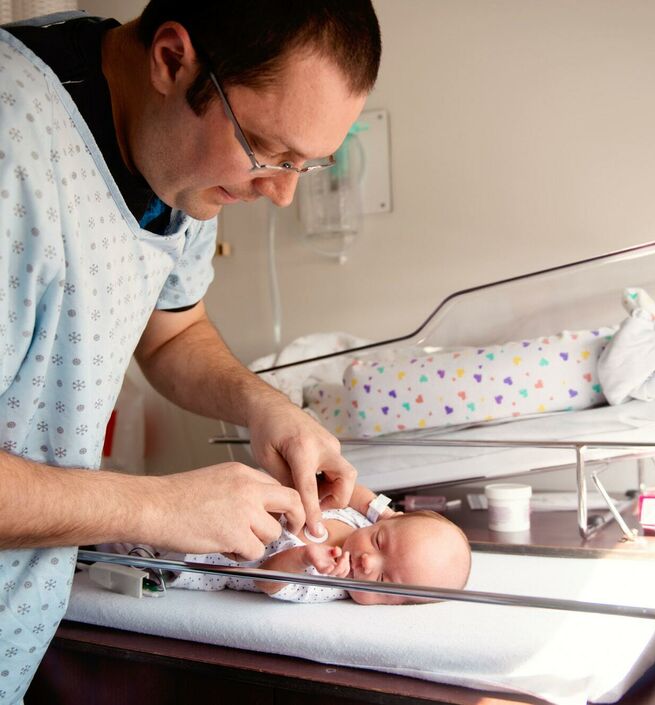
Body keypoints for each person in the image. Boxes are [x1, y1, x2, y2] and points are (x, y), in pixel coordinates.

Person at [0, 1, 380, 699]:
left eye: (306, 165)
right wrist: (155, 507)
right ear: (172, 61)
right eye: (268, 150)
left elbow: (171, 329)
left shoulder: (177, 162)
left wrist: (266, 408)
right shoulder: (13, 147)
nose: (283, 194)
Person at [130, 486, 472, 605]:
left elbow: (267, 580)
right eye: (380, 542)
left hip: (195, 554)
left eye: (383, 582)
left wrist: (302, 557)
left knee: (120, 537)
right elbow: (344, 488)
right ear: (387, 521)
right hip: (211, 506)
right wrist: (377, 506)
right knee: (141, 503)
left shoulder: (329, 581)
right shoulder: (360, 520)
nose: (368, 563)